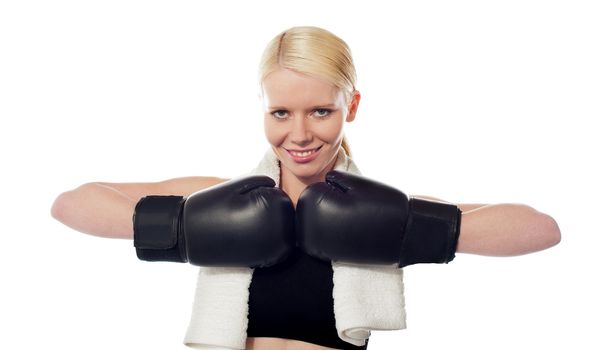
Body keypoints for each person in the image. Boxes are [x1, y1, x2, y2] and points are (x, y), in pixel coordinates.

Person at [51, 26, 562, 350]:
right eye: (280, 113)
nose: (298, 134)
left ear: (352, 106)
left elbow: (541, 229)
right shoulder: (218, 196)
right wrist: (186, 228)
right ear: (262, 108)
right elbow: (71, 203)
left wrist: (407, 230)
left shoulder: (384, 213)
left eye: (321, 110)